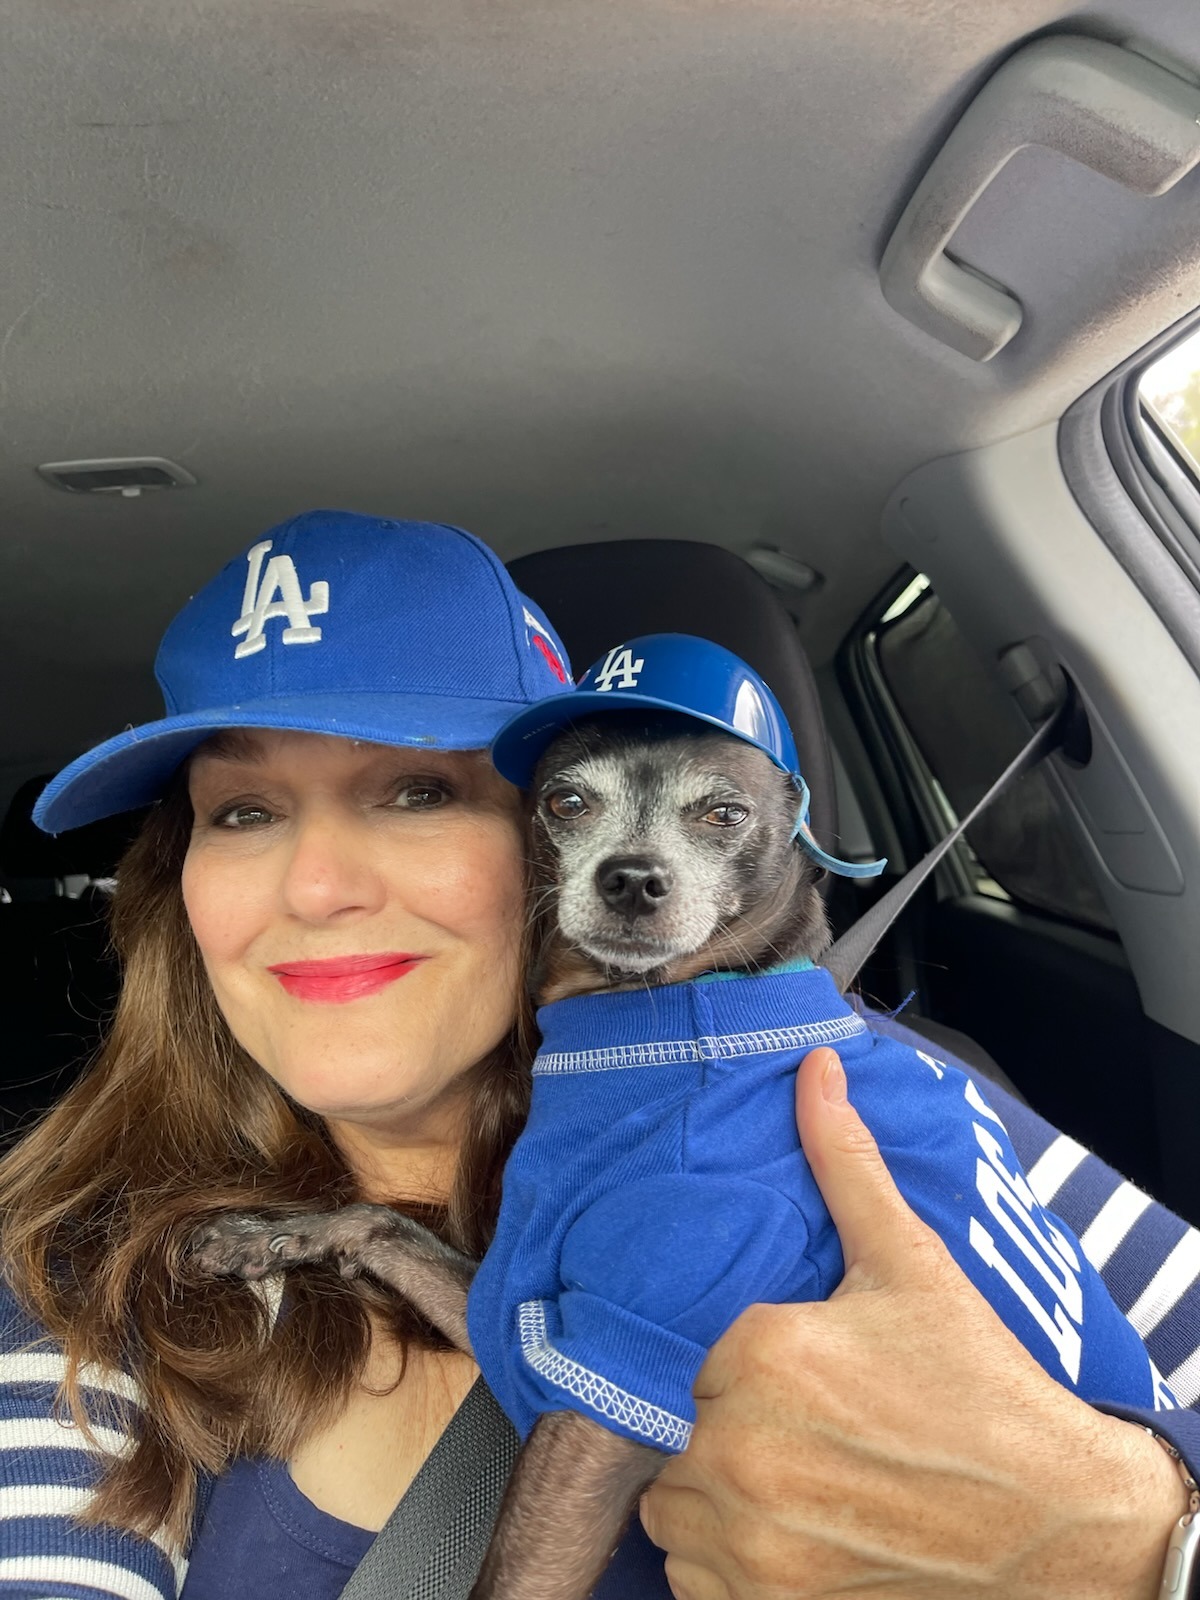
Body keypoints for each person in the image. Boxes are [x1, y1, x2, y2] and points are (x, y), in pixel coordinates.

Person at [0, 507, 1194, 1599]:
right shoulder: (80, 1268)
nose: (315, 887)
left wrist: (1137, 1540)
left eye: (415, 791)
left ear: (525, 840)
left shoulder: (846, 1089)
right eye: (243, 811)